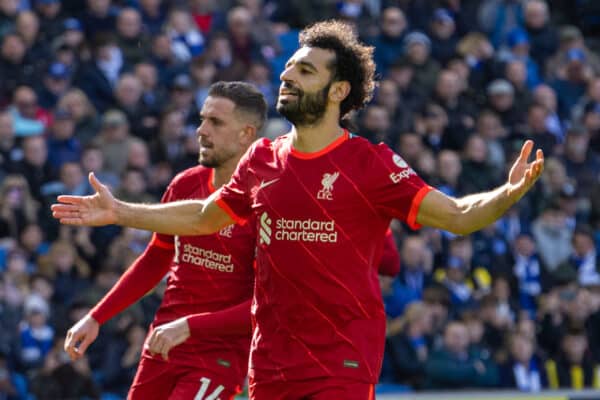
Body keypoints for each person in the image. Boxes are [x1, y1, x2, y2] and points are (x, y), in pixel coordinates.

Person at [53, 21, 544, 399]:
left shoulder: (370, 164)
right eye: (289, 66)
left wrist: (506, 193)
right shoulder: (262, 159)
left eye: (305, 70)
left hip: (341, 363)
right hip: (268, 365)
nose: (287, 74)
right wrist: (120, 212)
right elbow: (204, 217)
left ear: (338, 92)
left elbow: (457, 215)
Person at [63, 81, 268, 399]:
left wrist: (190, 326)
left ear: (246, 134)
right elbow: (156, 258)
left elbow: (266, 303)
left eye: (215, 122)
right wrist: (96, 316)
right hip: (162, 343)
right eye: (202, 119)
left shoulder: (265, 203)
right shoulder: (185, 184)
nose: (201, 130)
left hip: (217, 356)